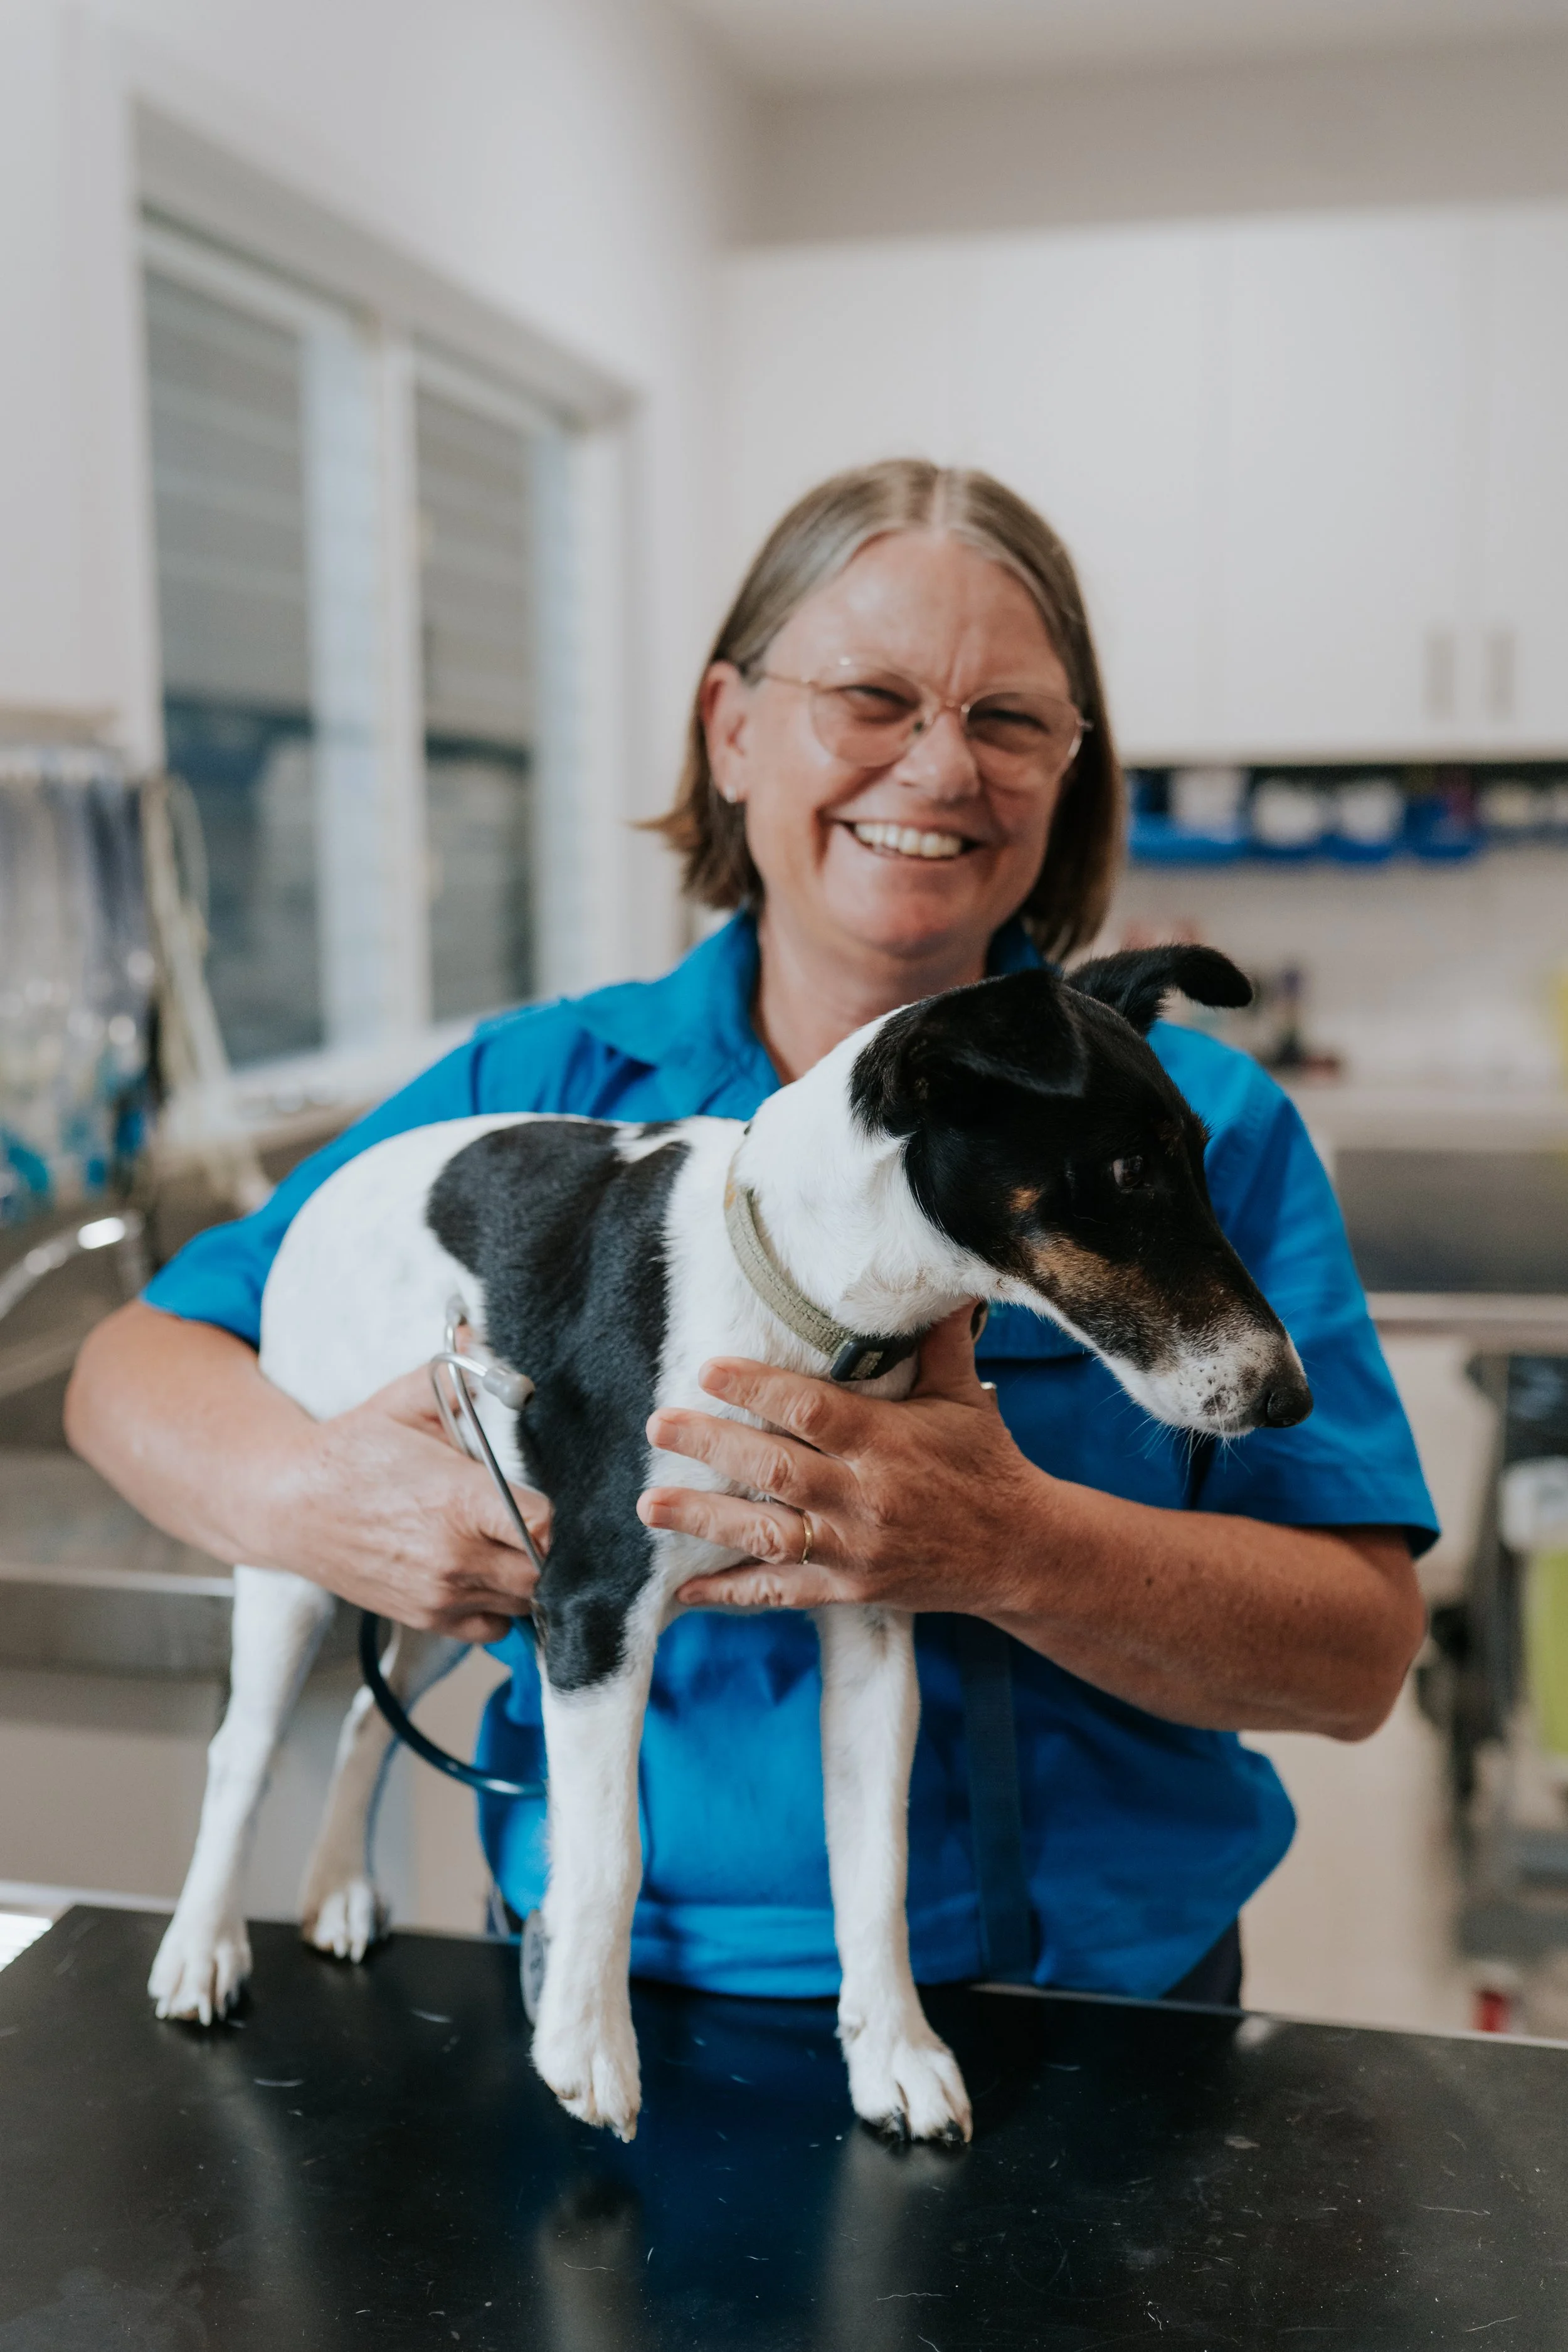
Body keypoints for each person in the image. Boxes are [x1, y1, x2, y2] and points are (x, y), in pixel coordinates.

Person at [67, 460, 1435, 2007]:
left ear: (1067, 772)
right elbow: (132, 1366)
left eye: (1007, 720)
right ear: (730, 730)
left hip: (1112, 2005)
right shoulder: (541, 1099)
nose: (937, 770)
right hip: (626, 1998)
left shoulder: (1193, 1131)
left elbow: (1354, 1658)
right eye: (870, 696)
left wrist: (1015, 1545)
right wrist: (316, 1499)